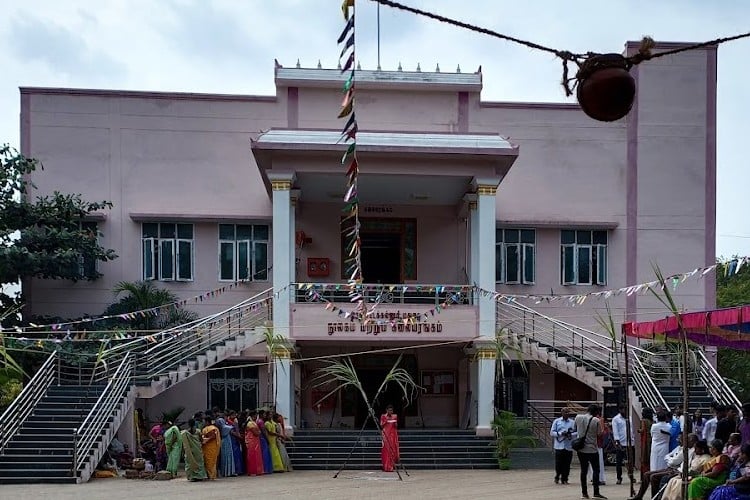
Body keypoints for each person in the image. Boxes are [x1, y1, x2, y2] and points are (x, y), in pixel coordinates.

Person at [627, 433, 698, 500]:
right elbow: (668, 456)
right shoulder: (682, 448)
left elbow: (673, 462)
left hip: (676, 470)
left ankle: (655, 497)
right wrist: (669, 459)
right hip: (672, 468)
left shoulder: (690, 451)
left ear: (692, 441)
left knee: (654, 477)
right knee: (646, 474)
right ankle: (639, 496)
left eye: (688, 439)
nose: (686, 441)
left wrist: (669, 459)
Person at [575, 403, 607, 499]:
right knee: (596, 470)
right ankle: (596, 492)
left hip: (581, 448)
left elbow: (575, 428)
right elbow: (599, 434)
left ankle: (584, 493)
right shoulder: (596, 420)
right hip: (592, 449)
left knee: (583, 471)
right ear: (596, 412)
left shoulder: (578, 417)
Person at [550, 406, 576, 485]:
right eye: (565, 412)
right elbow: (552, 432)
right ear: (562, 413)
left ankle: (565, 478)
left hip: (568, 446)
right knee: (559, 463)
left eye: (568, 412)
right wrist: (560, 433)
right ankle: (557, 475)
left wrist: (570, 434)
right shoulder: (557, 421)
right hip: (559, 445)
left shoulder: (572, 422)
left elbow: (577, 432)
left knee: (567, 463)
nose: (566, 414)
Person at [613, 405, 636, 485]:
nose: (624, 411)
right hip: (621, 443)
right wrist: (617, 442)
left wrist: (633, 439)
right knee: (619, 462)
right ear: (620, 410)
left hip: (630, 443)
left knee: (630, 462)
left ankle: (631, 476)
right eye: (623, 409)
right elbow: (615, 431)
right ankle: (619, 478)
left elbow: (632, 429)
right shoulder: (616, 419)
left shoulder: (629, 418)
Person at [215, 412, 237, 477]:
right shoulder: (221, 422)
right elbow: (225, 428)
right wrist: (232, 426)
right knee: (226, 455)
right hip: (225, 440)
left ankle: (228, 471)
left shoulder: (222, 423)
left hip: (226, 440)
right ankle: (227, 472)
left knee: (227, 455)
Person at [381, 404, 400, 473]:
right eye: (389, 410)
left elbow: (396, 426)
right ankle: (385, 466)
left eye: (391, 410)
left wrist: (395, 423)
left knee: (392, 450)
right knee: (385, 450)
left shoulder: (395, 416)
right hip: (386, 435)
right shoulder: (383, 416)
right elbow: (381, 425)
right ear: (386, 410)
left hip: (392, 435)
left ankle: (391, 466)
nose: (390, 411)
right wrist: (386, 421)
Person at [244, 410, 264, 476]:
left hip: (255, 440)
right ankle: (252, 470)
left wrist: (258, 432)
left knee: (256, 455)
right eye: (255, 415)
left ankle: (257, 470)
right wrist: (259, 432)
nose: (256, 417)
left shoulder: (253, 423)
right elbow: (256, 433)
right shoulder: (250, 423)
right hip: (251, 440)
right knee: (252, 455)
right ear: (253, 416)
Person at [201, 415, 221, 480]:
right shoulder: (209, 428)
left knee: (211, 462)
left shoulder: (211, 428)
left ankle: (211, 475)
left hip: (211, 447)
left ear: (207, 421)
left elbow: (213, 436)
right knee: (208, 461)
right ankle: (209, 475)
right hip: (207, 447)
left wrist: (206, 440)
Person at [640, 408, 655, 480]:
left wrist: (638, 430)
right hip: (651, 440)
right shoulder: (652, 421)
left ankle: (644, 476)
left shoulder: (643, 421)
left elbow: (642, 430)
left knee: (644, 457)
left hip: (645, 440)